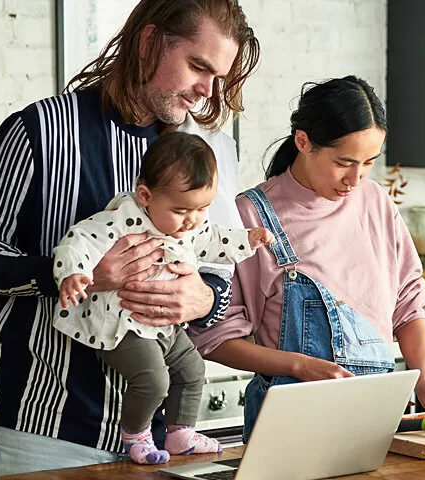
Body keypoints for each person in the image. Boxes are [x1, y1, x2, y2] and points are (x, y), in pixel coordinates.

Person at [0, 0, 259, 475]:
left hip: (158, 447)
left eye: (218, 76)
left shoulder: (201, 153)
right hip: (48, 434)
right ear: (149, 42)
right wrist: (74, 276)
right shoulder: (37, 132)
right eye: (198, 66)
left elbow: (217, 276)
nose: (206, 90)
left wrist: (202, 298)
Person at [187, 76, 425, 443]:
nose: (355, 179)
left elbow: (408, 306)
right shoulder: (249, 217)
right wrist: (299, 365)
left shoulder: (376, 204)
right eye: (344, 162)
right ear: (303, 142)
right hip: (289, 423)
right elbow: (214, 337)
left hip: (373, 418)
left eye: (368, 163)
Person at [52, 132, 273, 464]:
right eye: (182, 210)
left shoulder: (189, 225)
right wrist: (73, 273)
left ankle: (180, 432)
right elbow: (78, 240)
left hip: (166, 328)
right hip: (121, 324)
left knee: (192, 369)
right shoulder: (121, 219)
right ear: (145, 195)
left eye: (202, 209)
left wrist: (247, 240)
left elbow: (212, 239)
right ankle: (136, 435)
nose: (192, 220)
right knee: (154, 380)